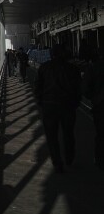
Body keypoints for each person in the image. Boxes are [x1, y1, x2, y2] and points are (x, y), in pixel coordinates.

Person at [35, 44, 82, 173]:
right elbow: (78, 88)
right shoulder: (73, 69)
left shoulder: (44, 68)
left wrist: (40, 101)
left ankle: (57, 162)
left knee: (51, 135)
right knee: (68, 133)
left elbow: (38, 87)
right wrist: (76, 102)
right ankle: (69, 157)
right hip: (67, 105)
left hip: (49, 105)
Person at [82, 49, 104, 170]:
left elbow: (85, 89)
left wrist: (94, 98)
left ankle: (99, 158)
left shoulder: (93, 68)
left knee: (100, 133)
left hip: (100, 105)